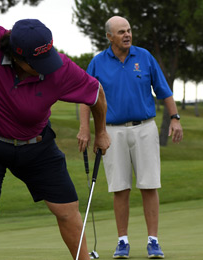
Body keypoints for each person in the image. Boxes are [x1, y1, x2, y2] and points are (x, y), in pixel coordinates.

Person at [0, 8, 110, 260]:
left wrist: (101, 132)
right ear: (15, 56)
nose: (46, 68)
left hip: (35, 145)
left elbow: (96, 94)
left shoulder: (60, 69)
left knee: (67, 209)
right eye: (37, 63)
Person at [77, 16, 183, 259]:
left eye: (129, 30)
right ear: (109, 37)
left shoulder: (144, 57)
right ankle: (122, 241)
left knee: (149, 185)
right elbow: (85, 98)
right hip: (111, 131)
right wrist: (85, 129)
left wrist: (175, 117)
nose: (127, 35)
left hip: (144, 127)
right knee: (120, 187)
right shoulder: (97, 63)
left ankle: (153, 241)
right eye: (121, 32)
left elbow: (163, 90)